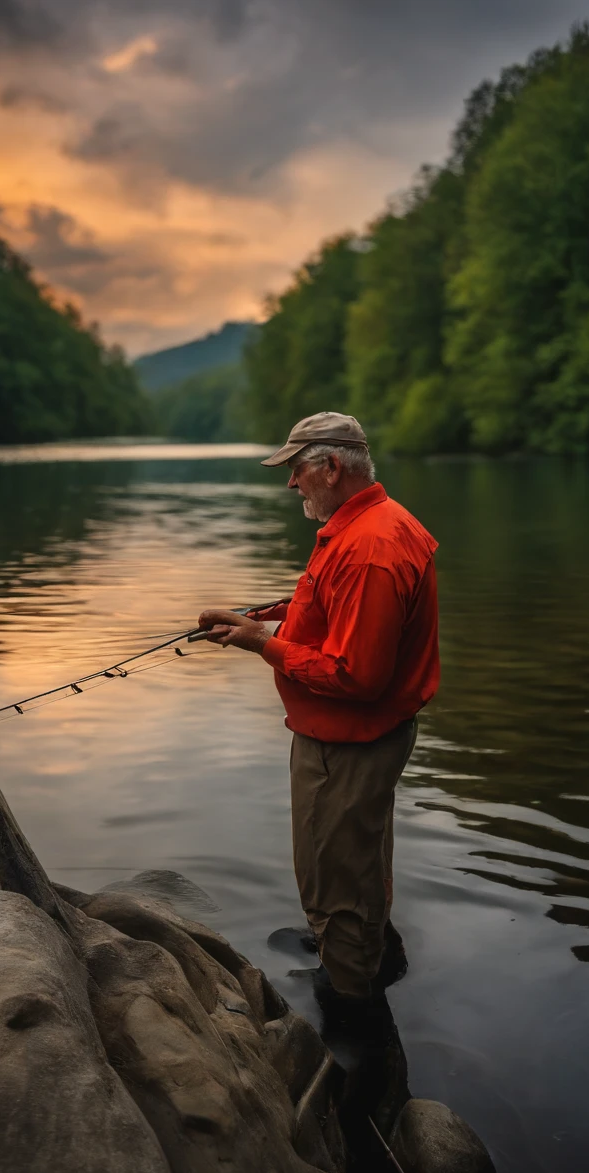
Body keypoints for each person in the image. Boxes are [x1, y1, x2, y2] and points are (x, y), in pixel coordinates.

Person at [199, 411, 439, 1013]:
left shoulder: (369, 549)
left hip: (349, 741)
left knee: (332, 873)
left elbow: (357, 677)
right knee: (359, 856)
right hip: (361, 736)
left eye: (297, 470)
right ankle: (367, 946)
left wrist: (262, 644)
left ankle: (353, 1007)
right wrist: (267, 617)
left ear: (331, 468)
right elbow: (327, 601)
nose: (290, 484)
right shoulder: (371, 524)